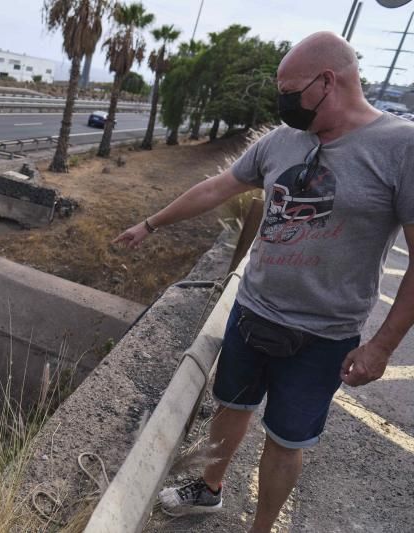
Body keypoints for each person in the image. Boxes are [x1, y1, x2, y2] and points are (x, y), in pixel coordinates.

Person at [113, 31, 414, 532]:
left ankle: (262, 527)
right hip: (253, 311)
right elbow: (217, 187)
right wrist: (150, 224)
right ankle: (208, 490)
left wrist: (382, 346)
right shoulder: (283, 140)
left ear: (327, 81)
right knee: (231, 406)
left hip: (323, 333)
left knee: (286, 439)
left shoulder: (401, 147)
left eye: (290, 92)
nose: (283, 103)